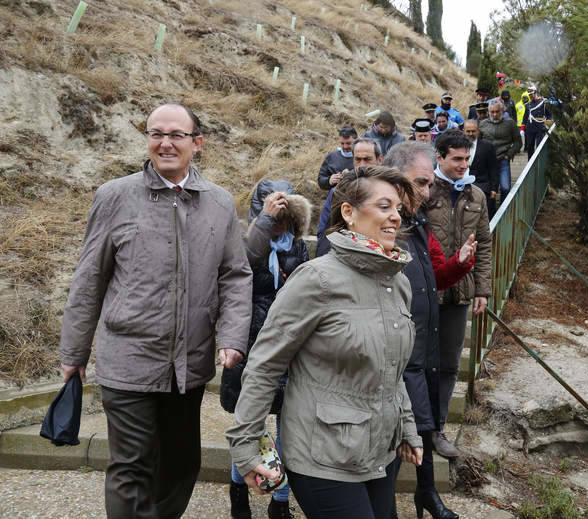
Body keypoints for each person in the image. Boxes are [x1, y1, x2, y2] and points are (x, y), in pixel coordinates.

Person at [59, 103, 252, 519]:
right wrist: (73, 354)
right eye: (155, 133)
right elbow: (89, 278)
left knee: (182, 466)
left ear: (196, 144)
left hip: (189, 363)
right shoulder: (115, 196)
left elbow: (235, 275)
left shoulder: (219, 203)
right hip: (128, 359)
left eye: (176, 135)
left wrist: (233, 337)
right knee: (132, 466)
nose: (165, 143)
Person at [227, 166, 424, 519]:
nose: (396, 216)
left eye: (398, 208)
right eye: (383, 206)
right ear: (348, 212)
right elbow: (264, 365)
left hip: (379, 452)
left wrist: (407, 426)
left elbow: (393, 370)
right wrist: (246, 447)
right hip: (322, 457)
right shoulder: (316, 279)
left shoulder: (398, 282)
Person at [383, 142, 477, 519]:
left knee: (422, 428)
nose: (428, 191)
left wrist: (459, 265)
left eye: (427, 184)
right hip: (390, 353)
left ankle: (427, 495)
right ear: (394, 178)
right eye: (420, 183)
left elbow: (433, 276)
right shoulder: (376, 224)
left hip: (420, 348)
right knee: (390, 438)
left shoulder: (419, 226)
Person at [220, 180, 311, 519]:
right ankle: (239, 492)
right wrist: (265, 223)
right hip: (249, 343)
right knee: (251, 429)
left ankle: (280, 501)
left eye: (287, 218)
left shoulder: (298, 247)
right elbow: (239, 266)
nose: (281, 225)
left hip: (288, 345)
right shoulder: (245, 241)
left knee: (290, 430)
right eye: (275, 217)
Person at [425, 130, 491, 458]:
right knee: (415, 361)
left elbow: (485, 242)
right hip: (425, 292)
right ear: (439, 157)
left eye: (467, 158)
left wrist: (483, 289)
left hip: (459, 293)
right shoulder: (424, 190)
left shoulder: (476, 195)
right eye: (457, 159)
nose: (464, 165)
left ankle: (436, 430)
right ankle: (408, 429)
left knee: (449, 365)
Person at [316, 138, 383, 256]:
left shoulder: (390, 192)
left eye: (367, 159)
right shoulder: (338, 192)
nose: (362, 165)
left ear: (380, 160)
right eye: (358, 159)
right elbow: (324, 232)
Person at [479, 99, 522, 205]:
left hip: (503, 159)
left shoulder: (510, 123)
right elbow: (478, 142)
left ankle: (503, 210)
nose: (495, 114)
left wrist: (509, 155)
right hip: (487, 162)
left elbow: (518, 142)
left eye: (497, 111)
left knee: (506, 188)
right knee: (488, 189)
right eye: (492, 112)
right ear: (488, 112)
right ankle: (490, 212)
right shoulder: (482, 124)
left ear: (502, 111)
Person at [463, 120, 499, 218]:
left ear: (478, 131)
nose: (471, 134)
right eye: (468, 131)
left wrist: (494, 188)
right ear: (463, 131)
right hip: (462, 187)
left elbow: (493, 168)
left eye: (473, 131)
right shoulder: (458, 146)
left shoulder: (487, 146)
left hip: (483, 186)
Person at [317, 126, 357, 191]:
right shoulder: (332, 157)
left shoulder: (364, 156)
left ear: (356, 141)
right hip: (337, 196)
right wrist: (329, 181)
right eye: (342, 143)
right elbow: (321, 180)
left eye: (348, 143)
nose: (345, 146)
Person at [523, 88, 552, 159]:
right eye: (529, 95)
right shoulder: (527, 105)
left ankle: (539, 162)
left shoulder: (543, 102)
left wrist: (548, 121)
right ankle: (530, 163)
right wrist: (522, 128)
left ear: (535, 93)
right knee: (529, 146)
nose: (530, 96)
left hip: (540, 126)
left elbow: (549, 115)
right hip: (530, 127)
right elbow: (525, 117)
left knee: (539, 146)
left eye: (531, 94)